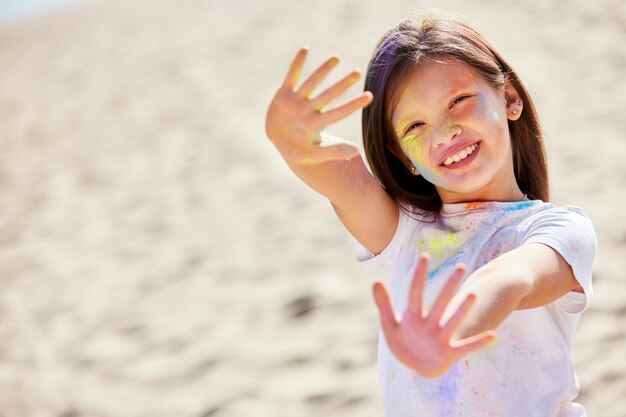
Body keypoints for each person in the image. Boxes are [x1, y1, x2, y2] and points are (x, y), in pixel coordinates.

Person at [265, 10, 596, 417]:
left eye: (458, 101)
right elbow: (341, 170)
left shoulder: (557, 229)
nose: (444, 133)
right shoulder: (403, 232)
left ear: (509, 99)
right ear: (403, 158)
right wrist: (289, 138)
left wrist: (452, 332)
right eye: (414, 127)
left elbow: (511, 278)